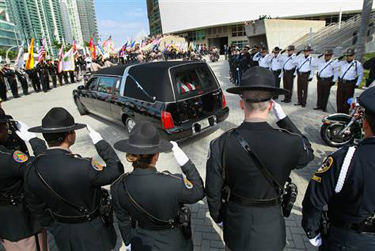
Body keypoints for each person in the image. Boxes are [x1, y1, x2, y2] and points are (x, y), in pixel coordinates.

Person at [206, 67, 314, 251]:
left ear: (241, 105)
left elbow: (213, 192)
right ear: (271, 106)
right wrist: (284, 119)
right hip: (271, 230)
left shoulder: (221, 143)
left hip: (237, 227)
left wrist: (220, 218)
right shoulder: (291, 142)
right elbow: (308, 154)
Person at [24, 107, 124, 251]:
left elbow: (35, 205)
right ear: (69, 135)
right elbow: (116, 170)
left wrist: (53, 226)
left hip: (62, 231)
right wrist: (100, 143)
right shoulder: (84, 166)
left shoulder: (32, 169)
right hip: (92, 232)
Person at [111, 121, 204, 251]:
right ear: (156, 156)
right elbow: (198, 191)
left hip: (141, 243)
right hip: (173, 243)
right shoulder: (174, 182)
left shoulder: (117, 187)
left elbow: (123, 220)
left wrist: (128, 243)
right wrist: (184, 161)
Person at [302, 86, 375, 250]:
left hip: (346, 239)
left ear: (365, 123)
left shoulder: (346, 158)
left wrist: (312, 232)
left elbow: (315, 199)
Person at [0, 108, 48, 250]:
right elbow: (44, 166)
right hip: (23, 222)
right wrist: (33, 139)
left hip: (5, 224)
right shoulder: (7, 159)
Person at [335, 48, 364, 114]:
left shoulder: (357, 64)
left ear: (353, 56)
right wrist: (339, 58)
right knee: (339, 98)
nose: (348, 57)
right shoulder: (342, 63)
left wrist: (357, 83)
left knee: (348, 99)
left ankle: (345, 112)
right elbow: (333, 64)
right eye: (347, 56)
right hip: (341, 83)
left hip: (350, 84)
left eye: (350, 56)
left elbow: (360, 74)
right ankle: (339, 112)